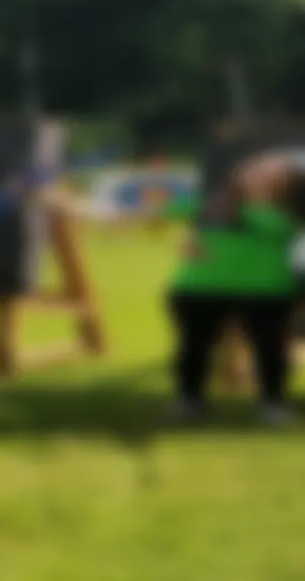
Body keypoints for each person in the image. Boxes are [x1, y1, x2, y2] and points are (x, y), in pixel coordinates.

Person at [48, 152, 305, 424]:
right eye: (257, 167)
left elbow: (275, 230)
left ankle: (272, 405)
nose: (258, 171)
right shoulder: (207, 204)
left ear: (288, 183)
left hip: (267, 291)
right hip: (199, 289)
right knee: (193, 349)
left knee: (271, 350)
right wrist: (65, 204)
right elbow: (124, 216)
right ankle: (189, 402)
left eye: (272, 171)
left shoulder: (291, 213)